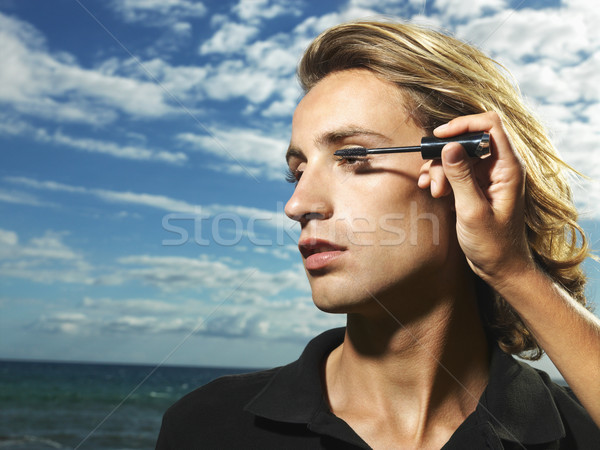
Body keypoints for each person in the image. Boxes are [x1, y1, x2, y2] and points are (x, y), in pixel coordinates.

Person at [156, 20, 600, 449]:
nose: (297, 206)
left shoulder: (580, 433)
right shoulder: (205, 426)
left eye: (352, 156)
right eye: (297, 172)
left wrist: (513, 269)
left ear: (469, 170)